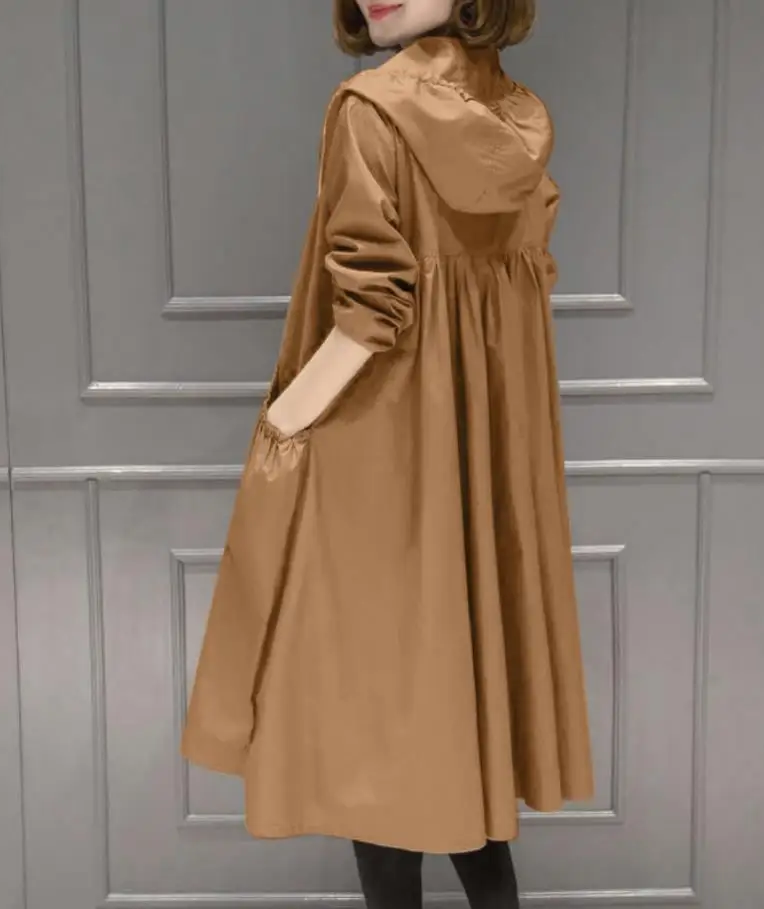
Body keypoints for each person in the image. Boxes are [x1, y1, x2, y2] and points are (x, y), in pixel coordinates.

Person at [180, 0, 595, 905]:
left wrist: (285, 425)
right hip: (482, 465)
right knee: (461, 718)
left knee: (375, 725)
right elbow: (516, 296)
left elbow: (372, 308)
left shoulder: (371, 110)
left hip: (376, 457)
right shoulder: (518, 120)